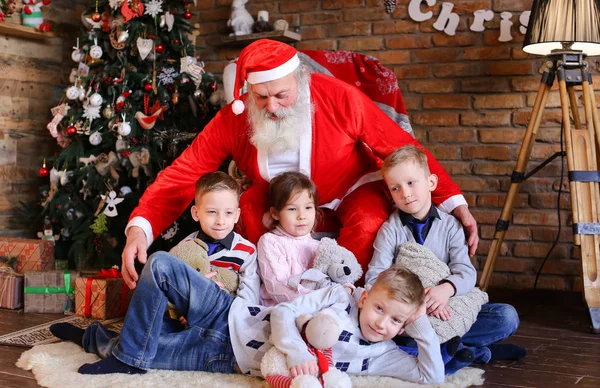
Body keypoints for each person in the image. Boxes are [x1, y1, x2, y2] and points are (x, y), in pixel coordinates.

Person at [121, 38, 479, 290]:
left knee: (369, 221)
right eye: (261, 97)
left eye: (282, 95)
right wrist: (142, 226)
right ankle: (272, 295)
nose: (273, 106)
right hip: (284, 198)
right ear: (247, 93)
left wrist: (453, 202)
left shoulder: (339, 97)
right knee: (248, 205)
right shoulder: (236, 116)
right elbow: (188, 171)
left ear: (300, 81)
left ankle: (348, 299)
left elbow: (403, 148)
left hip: (347, 187)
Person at [49, 253, 447, 384]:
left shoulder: (383, 355)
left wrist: (420, 324)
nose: (382, 324)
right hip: (231, 312)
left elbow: (433, 377)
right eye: (379, 308)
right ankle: (133, 353)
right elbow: (287, 312)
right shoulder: (338, 299)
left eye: (396, 321)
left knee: (144, 352)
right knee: (160, 265)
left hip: (226, 356)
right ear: (366, 296)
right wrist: (293, 350)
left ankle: (97, 339)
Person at [366, 145, 527, 367]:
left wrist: (445, 290)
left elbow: (466, 272)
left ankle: (445, 349)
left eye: (411, 182)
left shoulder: (451, 226)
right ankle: (474, 352)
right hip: (410, 313)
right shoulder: (390, 229)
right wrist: (405, 308)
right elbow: (376, 275)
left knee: (506, 317)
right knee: (398, 334)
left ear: (431, 182)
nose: (405, 193)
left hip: (448, 307)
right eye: (395, 188)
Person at [169, 171, 260, 305]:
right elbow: (174, 285)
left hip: (228, 316)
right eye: (212, 212)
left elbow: (250, 297)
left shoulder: (246, 252)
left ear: (236, 215)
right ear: (196, 213)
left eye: (228, 213)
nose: (220, 221)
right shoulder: (185, 247)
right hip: (191, 309)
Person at [257, 171, 320, 306]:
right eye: (292, 209)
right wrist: (318, 300)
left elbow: (336, 271)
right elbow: (277, 286)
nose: (302, 216)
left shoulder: (319, 246)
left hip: (318, 307)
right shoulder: (270, 241)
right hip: (280, 308)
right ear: (275, 213)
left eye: (308, 207)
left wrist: (345, 289)